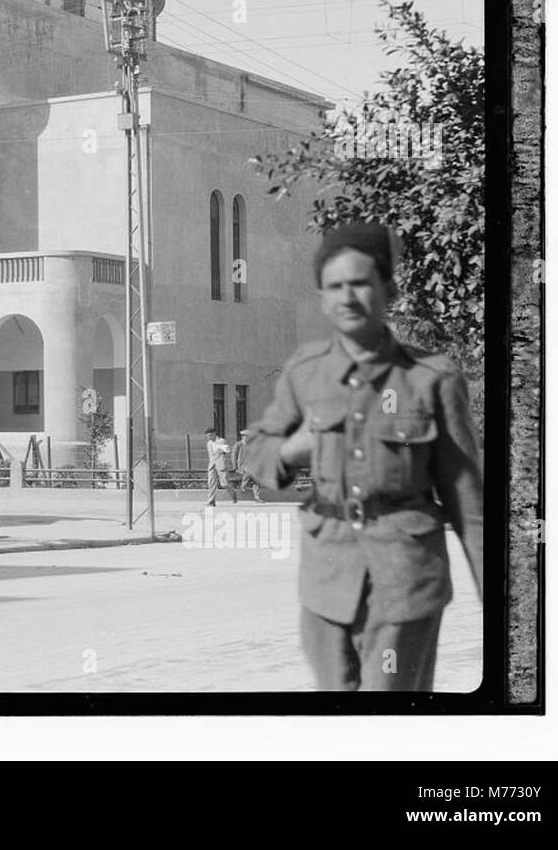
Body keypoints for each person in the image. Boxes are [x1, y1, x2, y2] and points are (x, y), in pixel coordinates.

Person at [242, 222, 483, 692]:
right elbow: (256, 456)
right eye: (334, 286)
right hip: (326, 581)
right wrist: (294, 447)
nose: (347, 297)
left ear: (388, 290)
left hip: (406, 581)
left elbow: (470, 504)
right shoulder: (304, 373)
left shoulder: (432, 378)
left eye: (359, 283)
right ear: (321, 298)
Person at [231, 429, 266, 503]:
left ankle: (257, 497)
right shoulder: (238, 444)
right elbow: (234, 455)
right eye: (246, 436)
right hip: (243, 465)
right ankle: (243, 485)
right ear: (242, 437)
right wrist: (234, 466)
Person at [205, 427, 232, 506]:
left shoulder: (221, 441)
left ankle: (233, 492)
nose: (209, 437)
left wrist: (222, 447)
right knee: (211, 483)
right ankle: (211, 500)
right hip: (212, 466)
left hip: (221, 465)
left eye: (210, 435)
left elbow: (226, 450)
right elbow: (211, 456)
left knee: (224, 484)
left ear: (214, 434)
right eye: (208, 436)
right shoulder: (208, 443)